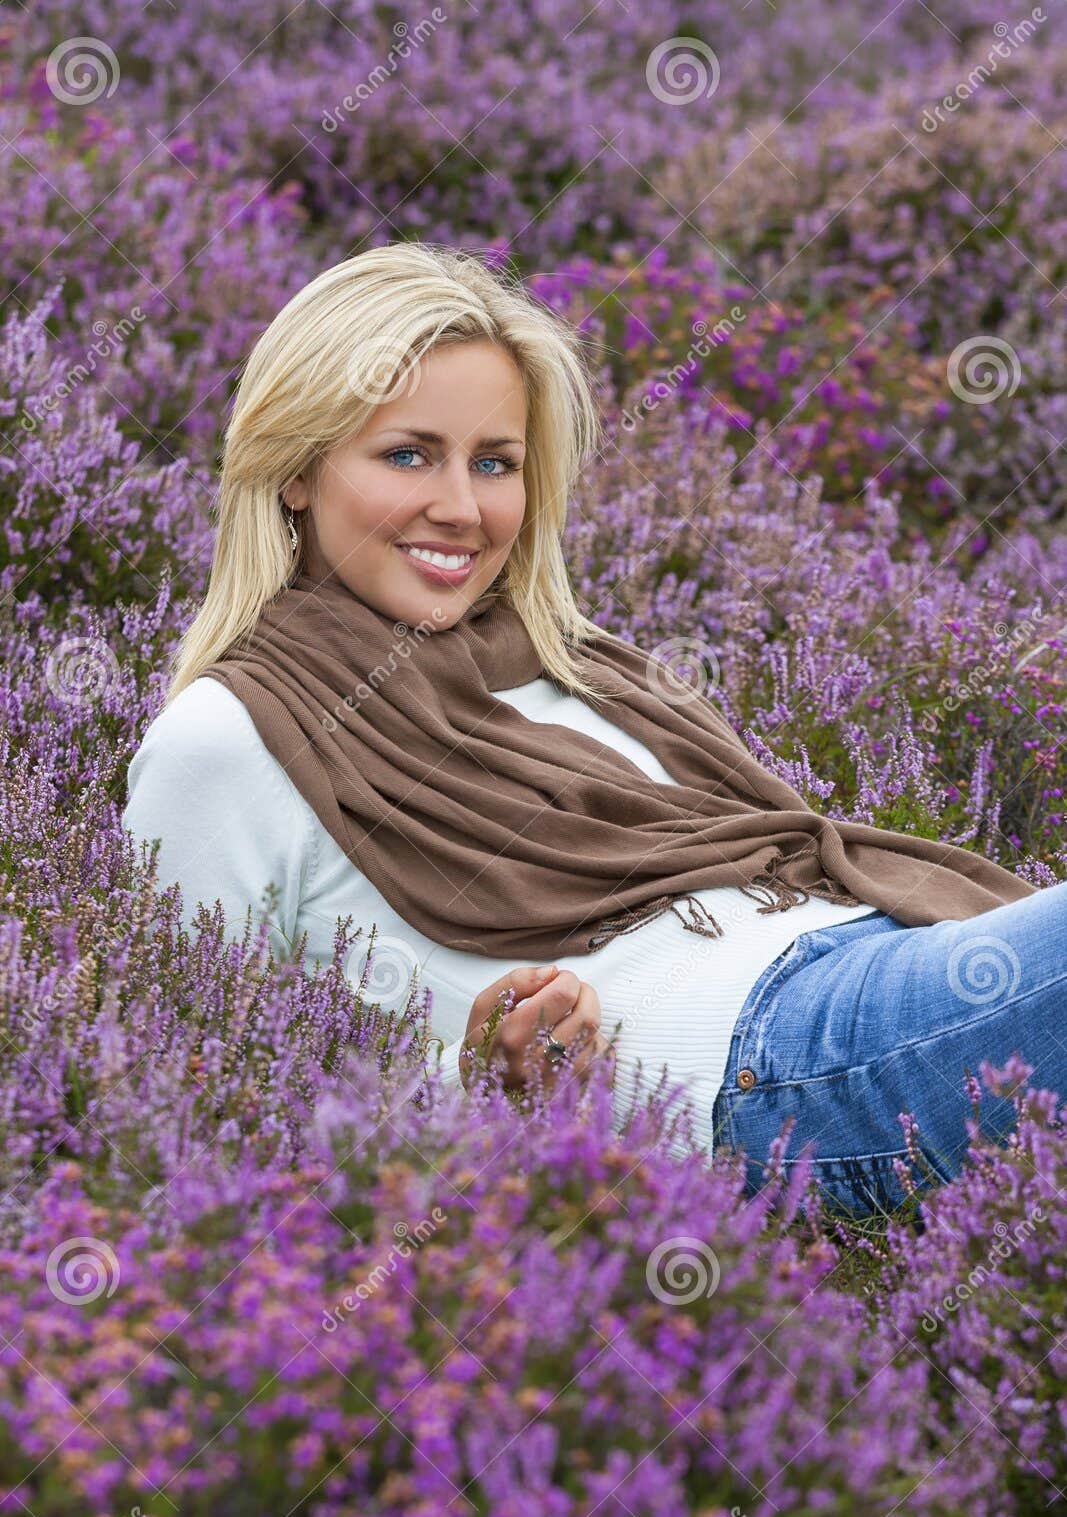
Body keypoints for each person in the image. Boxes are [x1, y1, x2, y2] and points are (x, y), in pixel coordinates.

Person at [122, 242, 1056, 1218]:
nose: (460, 507)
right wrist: (470, 1081)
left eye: (494, 463)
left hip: (884, 959)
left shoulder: (582, 663)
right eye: (408, 453)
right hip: (772, 1065)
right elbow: (187, 1102)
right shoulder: (225, 739)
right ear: (295, 468)